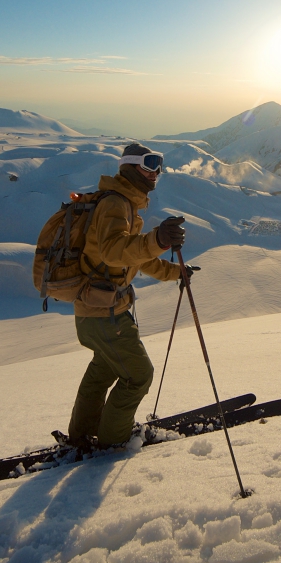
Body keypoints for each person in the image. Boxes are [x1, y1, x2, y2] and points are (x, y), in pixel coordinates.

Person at [67, 143, 190, 449]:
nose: (156, 173)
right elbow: (113, 252)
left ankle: (82, 433)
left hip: (93, 312)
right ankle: (114, 440)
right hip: (106, 314)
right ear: (130, 167)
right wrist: (158, 239)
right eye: (150, 165)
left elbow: (135, 257)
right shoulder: (115, 204)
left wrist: (176, 272)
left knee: (104, 368)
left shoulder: (124, 203)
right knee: (139, 375)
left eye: (159, 165)